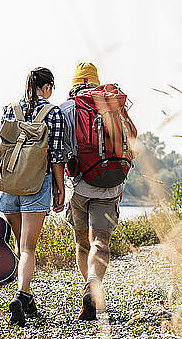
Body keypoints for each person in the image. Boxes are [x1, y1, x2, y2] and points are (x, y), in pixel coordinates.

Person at [0, 67, 66, 327]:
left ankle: (27, 297)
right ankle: (21, 295)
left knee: (19, 244)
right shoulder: (54, 113)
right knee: (28, 248)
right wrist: (59, 190)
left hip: (7, 187)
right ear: (48, 87)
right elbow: (56, 158)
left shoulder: (10, 109)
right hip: (36, 186)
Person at [59, 62, 126, 321]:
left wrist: (57, 189)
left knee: (81, 242)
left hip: (78, 186)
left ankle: (88, 285)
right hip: (110, 185)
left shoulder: (67, 109)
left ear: (74, 83)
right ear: (96, 81)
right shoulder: (115, 104)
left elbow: (58, 154)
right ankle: (94, 282)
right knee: (101, 241)